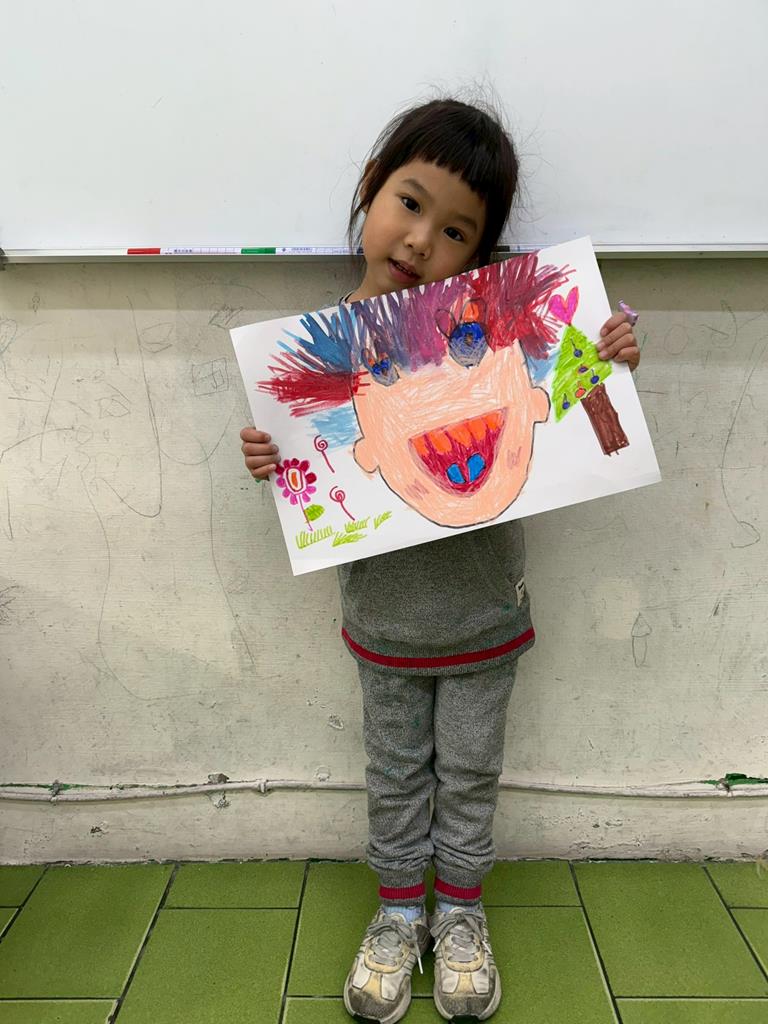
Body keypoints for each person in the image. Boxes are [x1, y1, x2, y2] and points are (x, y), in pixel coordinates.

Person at [240, 96, 640, 1023]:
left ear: (479, 254)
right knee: (393, 773)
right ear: (370, 191)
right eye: (409, 204)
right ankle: (396, 914)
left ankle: (459, 912)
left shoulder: (502, 338)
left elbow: (577, 415)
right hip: (382, 624)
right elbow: (318, 487)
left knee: (469, 772)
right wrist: (272, 459)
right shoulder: (313, 358)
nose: (421, 240)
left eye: (456, 230)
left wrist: (609, 357)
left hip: (484, 619)